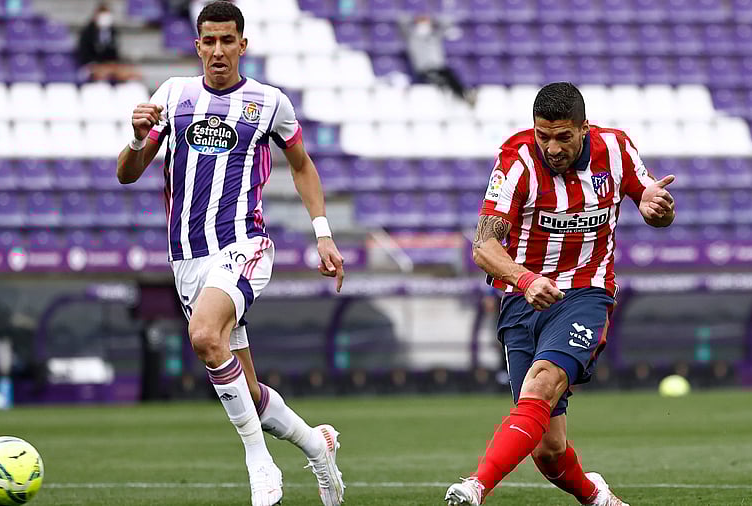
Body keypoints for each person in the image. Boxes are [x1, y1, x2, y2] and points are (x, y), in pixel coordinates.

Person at [115, 3, 346, 505]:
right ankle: (317, 444)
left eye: (227, 41)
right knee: (251, 392)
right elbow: (127, 172)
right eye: (209, 41)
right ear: (197, 45)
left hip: (244, 245)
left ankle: (258, 463)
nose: (218, 51)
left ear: (244, 45)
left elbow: (302, 165)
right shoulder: (173, 96)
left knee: (202, 335)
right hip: (187, 261)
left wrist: (322, 233)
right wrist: (136, 137)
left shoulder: (269, 103)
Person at [444, 82, 676, 506]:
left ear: (584, 129)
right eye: (543, 135)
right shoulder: (515, 161)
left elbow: (649, 198)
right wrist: (526, 280)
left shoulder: (617, 149)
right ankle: (596, 497)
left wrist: (655, 208)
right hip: (524, 297)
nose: (552, 147)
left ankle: (475, 486)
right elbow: (483, 245)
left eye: (563, 136)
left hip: (587, 293)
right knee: (546, 448)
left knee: (542, 382)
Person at [399, 14, 476, 106]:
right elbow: (401, 21)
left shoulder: (435, 37)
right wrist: (414, 18)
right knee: (441, 80)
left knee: (450, 76)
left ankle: (464, 95)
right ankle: (460, 97)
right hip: (425, 71)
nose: (424, 26)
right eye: (422, 23)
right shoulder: (413, 38)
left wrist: (434, 19)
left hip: (440, 69)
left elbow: (446, 23)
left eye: (425, 23)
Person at [77, 2, 142, 82]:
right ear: (96, 15)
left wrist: (112, 65)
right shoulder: (87, 32)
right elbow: (84, 54)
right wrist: (99, 65)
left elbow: (114, 53)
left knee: (131, 73)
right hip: (91, 65)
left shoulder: (112, 32)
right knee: (101, 73)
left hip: (109, 65)